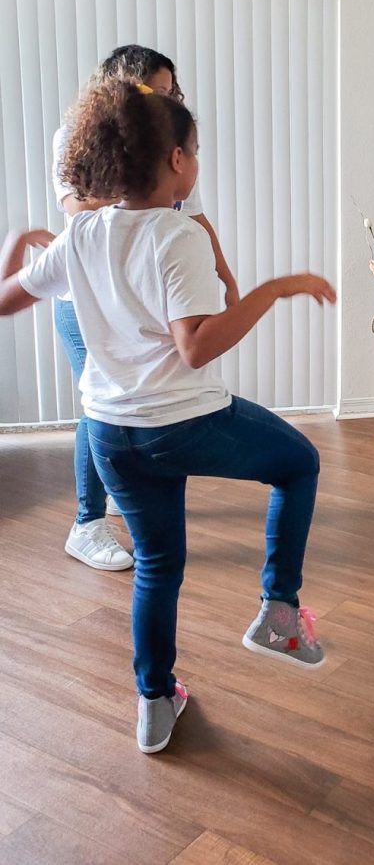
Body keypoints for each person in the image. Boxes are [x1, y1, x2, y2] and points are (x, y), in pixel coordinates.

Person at [1, 80, 336, 754]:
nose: (199, 161)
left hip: (109, 435)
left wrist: (14, 243)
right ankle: (279, 612)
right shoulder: (174, 234)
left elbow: (5, 300)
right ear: (177, 160)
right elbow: (196, 345)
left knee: (157, 565)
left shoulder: (82, 233)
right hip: (182, 422)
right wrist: (275, 288)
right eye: (197, 149)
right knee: (299, 463)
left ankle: (155, 702)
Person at [51, 45, 240, 572]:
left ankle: (122, 496)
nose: (170, 100)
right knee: (102, 405)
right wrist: (137, 170)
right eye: (160, 92)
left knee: (146, 402)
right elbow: (77, 208)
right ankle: (86, 524)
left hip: (147, 294)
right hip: (90, 295)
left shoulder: (166, 142)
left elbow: (194, 216)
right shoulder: (79, 139)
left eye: (171, 92)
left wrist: (226, 277)